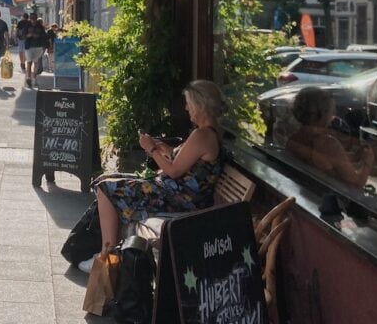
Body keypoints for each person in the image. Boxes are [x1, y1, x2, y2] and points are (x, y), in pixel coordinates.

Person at [79, 80, 227, 273]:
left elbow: (173, 171)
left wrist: (151, 149)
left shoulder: (202, 135)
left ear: (200, 105)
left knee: (106, 189)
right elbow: (186, 163)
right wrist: (165, 150)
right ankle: (111, 254)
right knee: (105, 182)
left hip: (179, 200)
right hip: (177, 193)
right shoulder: (209, 133)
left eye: (189, 103)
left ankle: (108, 257)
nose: (186, 108)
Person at [286, 86, 374, 188]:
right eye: (331, 112)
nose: (333, 117)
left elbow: (328, 159)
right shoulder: (327, 143)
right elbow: (356, 184)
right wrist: (368, 161)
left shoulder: (295, 137)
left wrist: (355, 157)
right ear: (323, 113)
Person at [24, 17, 48, 88]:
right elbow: (22, 35)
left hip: (36, 47)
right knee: (32, 62)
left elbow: (44, 37)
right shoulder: (29, 26)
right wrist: (28, 35)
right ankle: (31, 78)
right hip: (32, 47)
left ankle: (31, 77)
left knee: (32, 63)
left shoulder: (39, 28)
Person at [15, 12, 30, 77]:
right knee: (26, 51)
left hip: (20, 38)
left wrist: (15, 37)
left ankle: (22, 62)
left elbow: (17, 30)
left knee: (21, 51)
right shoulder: (29, 23)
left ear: (23, 17)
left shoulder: (20, 22)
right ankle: (24, 61)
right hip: (27, 38)